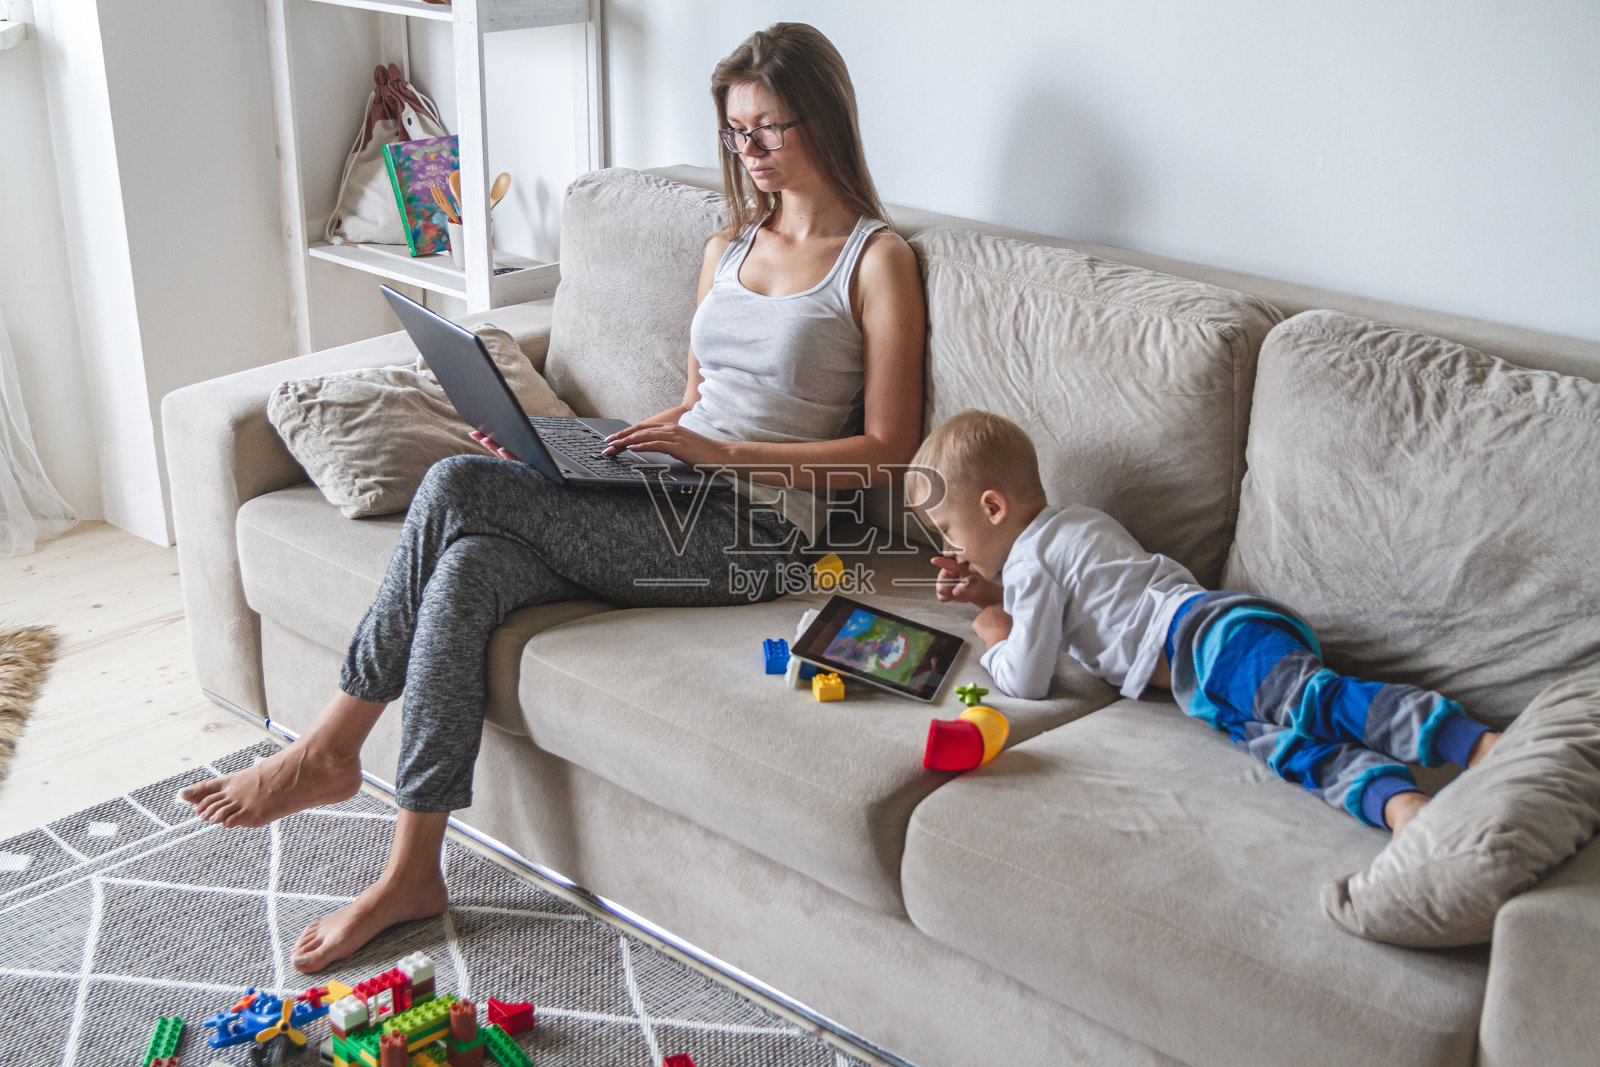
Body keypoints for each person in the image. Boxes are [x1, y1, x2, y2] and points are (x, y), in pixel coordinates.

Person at [180, 22, 926, 972]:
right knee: (472, 563)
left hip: (761, 531)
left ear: (823, 118)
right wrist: (589, 447)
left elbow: (890, 451)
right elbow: (694, 400)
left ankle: (331, 744)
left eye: (771, 129)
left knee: (455, 485)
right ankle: (414, 866)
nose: (753, 153)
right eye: (737, 133)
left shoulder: (874, 259)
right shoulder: (729, 245)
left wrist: (718, 448)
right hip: (669, 485)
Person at [907, 409, 1500, 838]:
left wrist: (992, 627)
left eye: (948, 531)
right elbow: (1078, 594)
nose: (951, 549)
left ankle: (1473, 743)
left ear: (992, 507)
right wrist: (997, 589)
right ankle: (1400, 806)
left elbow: (1026, 679)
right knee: (1290, 749)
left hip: (1207, 642)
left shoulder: (1033, 564)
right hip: (1208, 667)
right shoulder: (1074, 521)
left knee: (1320, 705)